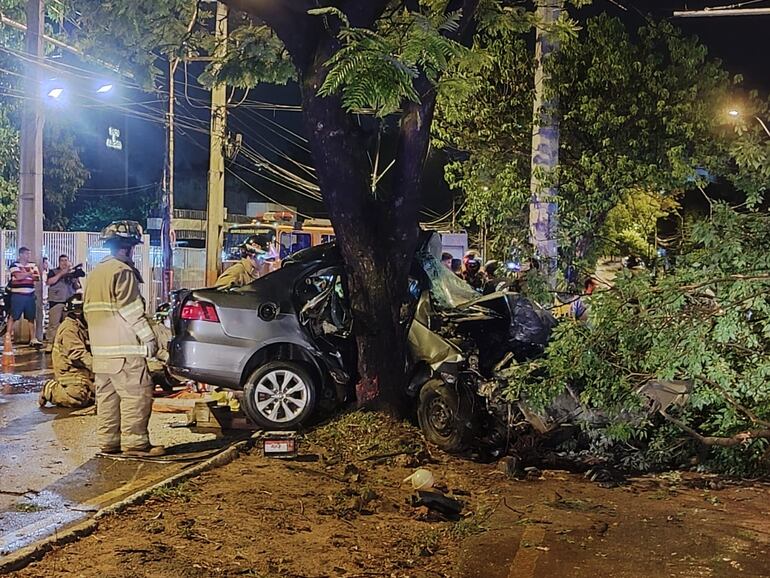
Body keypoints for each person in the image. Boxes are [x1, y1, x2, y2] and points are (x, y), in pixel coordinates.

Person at [84, 220, 164, 457]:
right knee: (135, 395)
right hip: (125, 349)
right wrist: (149, 339)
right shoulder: (122, 271)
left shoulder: (96, 272)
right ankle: (136, 444)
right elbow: (131, 310)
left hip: (101, 351)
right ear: (128, 247)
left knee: (108, 398)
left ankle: (109, 443)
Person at [38, 295, 94, 408]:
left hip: (83, 370)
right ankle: (50, 389)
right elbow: (78, 354)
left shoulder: (83, 326)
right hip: (71, 372)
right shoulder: (69, 329)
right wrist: (99, 368)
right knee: (78, 397)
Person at [45, 254, 84, 353]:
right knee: (54, 324)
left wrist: (74, 277)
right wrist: (62, 273)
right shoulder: (53, 272)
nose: (64, 262)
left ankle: (65, 344)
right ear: (59, 262)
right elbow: (49, 282)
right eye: (62, 260)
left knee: (68, 324)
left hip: (69, 301)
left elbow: (77, 287)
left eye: (66, 260)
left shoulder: (72, 273)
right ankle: (51, 343)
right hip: (56, 301)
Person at [8, 247, 42, 348]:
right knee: (13, 316)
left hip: (30, 295)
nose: (29, 256)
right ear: (21, 254)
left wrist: (25, 274)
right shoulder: (14, 265)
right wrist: (29, 274)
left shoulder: (33, 265)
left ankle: (33, 338)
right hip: (17, 295)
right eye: (27, 254)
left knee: (31, 317)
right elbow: (18, 277)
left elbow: (37, 278)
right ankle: (8, 337)